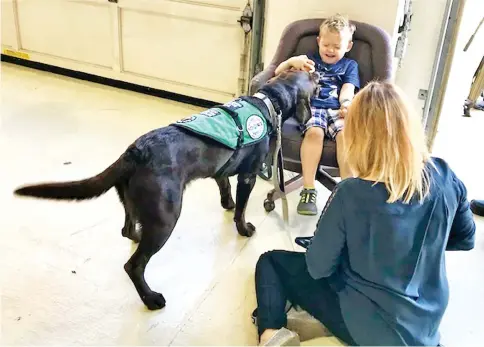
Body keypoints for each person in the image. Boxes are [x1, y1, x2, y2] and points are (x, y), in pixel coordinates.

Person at [253, 81, 476, 346]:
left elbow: (318, 268)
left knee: (271, 262)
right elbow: (465, 239)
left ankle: (270, 334)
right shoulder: (445, 175)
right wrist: (413, 244)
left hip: (369, 326)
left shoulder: (351, 193)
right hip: (425, 326)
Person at [273, 14, 360, 216]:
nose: (330, 50)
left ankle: (347, 192)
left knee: (345, 137)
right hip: (312, 108)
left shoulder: (350, 66)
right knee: (314, 134)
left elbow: (348, 88)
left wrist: (347, 104)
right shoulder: (308, 60)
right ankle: (309, 189)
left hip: (337, 108)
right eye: (326, 44)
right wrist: (292, 62)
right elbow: (277, 73)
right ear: (319, 41)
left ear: (348, 46)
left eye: (336, 47)